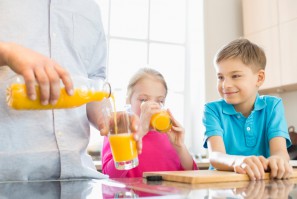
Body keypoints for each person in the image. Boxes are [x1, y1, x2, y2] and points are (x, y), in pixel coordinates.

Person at [0, 1, 141, 181]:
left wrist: (109, 120)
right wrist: (6, 52)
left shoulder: (90, 8)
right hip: (8, 180)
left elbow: (94, 84)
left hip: (78, 178)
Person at [202, 38, 293, 180]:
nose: (225, 85)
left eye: (235, 76)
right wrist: (237, 161)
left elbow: (280, 152)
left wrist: (278, 160)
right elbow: (215, 156)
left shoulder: (273, 106)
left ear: (259, 78)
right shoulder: (212, 110)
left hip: (261, 185)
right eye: (220, 77)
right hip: (222, 187)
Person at [102, 68, 197, 177]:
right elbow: (109, 176)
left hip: (169, 194)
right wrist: (140, 131)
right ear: (128, 101)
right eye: (143, 100)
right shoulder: (118, 130)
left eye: (159, 101)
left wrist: (180, 147)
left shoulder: (169, 136)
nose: (152, 106)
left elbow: (193, 176)